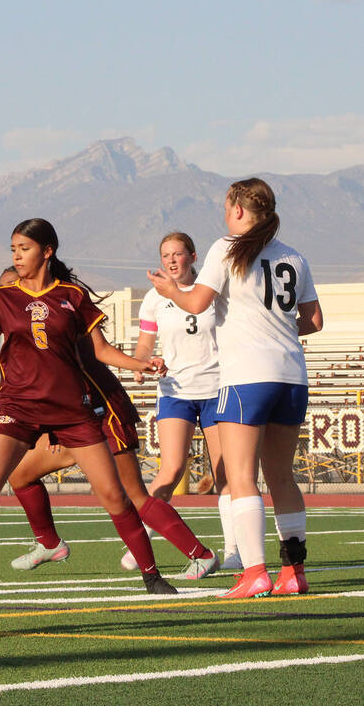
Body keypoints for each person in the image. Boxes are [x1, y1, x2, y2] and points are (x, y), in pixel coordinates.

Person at [0, 219, 178, 597]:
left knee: (114, 495)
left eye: (25, 248)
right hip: (17, 409)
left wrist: (142, 364)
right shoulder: (0, 298)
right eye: (13, 249)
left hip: (72, 412)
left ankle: (152, 576)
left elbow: (100, 351)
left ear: (47, 251)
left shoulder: (73, 297)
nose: (17, 255)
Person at [148, 178, 322, 598]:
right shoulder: (294, 256)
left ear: (239, 210)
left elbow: (196, 303)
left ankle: (255, 571)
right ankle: (293, 571)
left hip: (247, 374)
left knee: (241, 476)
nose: (224, 215)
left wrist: (170, 289)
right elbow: (314, 321)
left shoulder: (226, 247)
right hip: (292, 375)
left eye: (227, 208)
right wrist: (277, 328)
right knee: (282, 476)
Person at [2, 269, 218, 580]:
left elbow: (99, 353)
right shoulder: (25, 334)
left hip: (104, 414)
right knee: (20, 475)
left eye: (12, 288)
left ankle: (202, 555)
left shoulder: (61, 311)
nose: (5, 298)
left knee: (135, 496)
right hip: (73, 420)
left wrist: (140, 362)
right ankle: (49, 543)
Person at [131, 233, 237, 569]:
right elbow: (145, 344)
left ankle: (234, 549)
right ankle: (140, 539)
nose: (172, 261)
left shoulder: (210, 290)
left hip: (216, 389)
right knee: (171, 468)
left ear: (193, 256)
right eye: (166, 255)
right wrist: (143, 364)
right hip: (175, 390)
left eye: (178, 254)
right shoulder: (152, 298)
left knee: (226, 474)